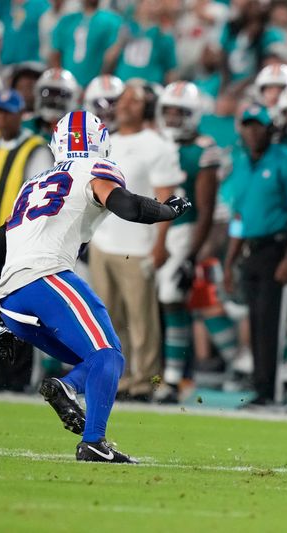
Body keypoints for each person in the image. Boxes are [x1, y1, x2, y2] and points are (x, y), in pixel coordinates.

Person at [0, 110, 190, 463]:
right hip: (47, 277)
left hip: (9, 296)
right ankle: (93, 439)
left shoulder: (33, 183)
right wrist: (166, 211)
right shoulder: (94, 168)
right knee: (109, 355)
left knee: (95, 362)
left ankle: (68, 389)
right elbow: (124, 204)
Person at [89, 82, 183, 402]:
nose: (126, 104)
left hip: (139, 244)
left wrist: (160, 243)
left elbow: (166, 198)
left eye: (134, 99)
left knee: (142, 321)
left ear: (147, 107)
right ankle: (120, 378)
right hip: (104, 241)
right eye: (123, 98)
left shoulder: (156, 145)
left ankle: (144, 382)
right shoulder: (107, 143)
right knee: (108, 318)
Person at [223, 105, 287, 406]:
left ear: (271, 129)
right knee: (256, 320)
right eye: (248, 125)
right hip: (251, 249)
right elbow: (239, 215)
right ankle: (261, 387)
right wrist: (229, 263)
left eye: (259, 126)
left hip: (278, 247)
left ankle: (273, 390)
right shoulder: (241, 163)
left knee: (273, 321)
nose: (253, 131)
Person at [0, 89, 52, 392]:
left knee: (17, 309)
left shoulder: (35, 148)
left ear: (21, 114)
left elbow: (39, 197)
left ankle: (19, 376)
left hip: (18, 241)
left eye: (8, 111)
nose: (1, 118)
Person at [155, 81, 226, 402]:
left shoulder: (204, 148)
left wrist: (191, 255)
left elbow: (206, 208)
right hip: (153, 229)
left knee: (176, 296)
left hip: (186, 230)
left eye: (180, 112)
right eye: (168, 110)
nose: (172, 117)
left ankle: (173, 378)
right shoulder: (155, 141)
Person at [49, 0, 122, 87]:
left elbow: (111, 56)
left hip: (95, 84)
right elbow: (55, 53)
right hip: (66, 84)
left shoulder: (112, 21)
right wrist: (59, 80)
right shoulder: (66, 21)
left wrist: (98, 84)